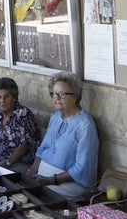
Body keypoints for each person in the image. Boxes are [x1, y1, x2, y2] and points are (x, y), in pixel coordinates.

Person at [28, 72, 99, 200]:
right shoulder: (56, 117)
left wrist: (51, 180)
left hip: (67, 185)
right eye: (54, 93)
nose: (56, 98)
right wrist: (33, 169)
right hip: (43, 180)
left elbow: (82, 167)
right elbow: (43, 148)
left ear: (75, 97)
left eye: (62, 94)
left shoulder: (85, 125)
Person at [0, 77, 39, 171]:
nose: (2, 101)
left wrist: (7, 163)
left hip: (18, 162)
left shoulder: (23, 115)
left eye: (6, 97)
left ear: (14, 98)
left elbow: (25, 145)